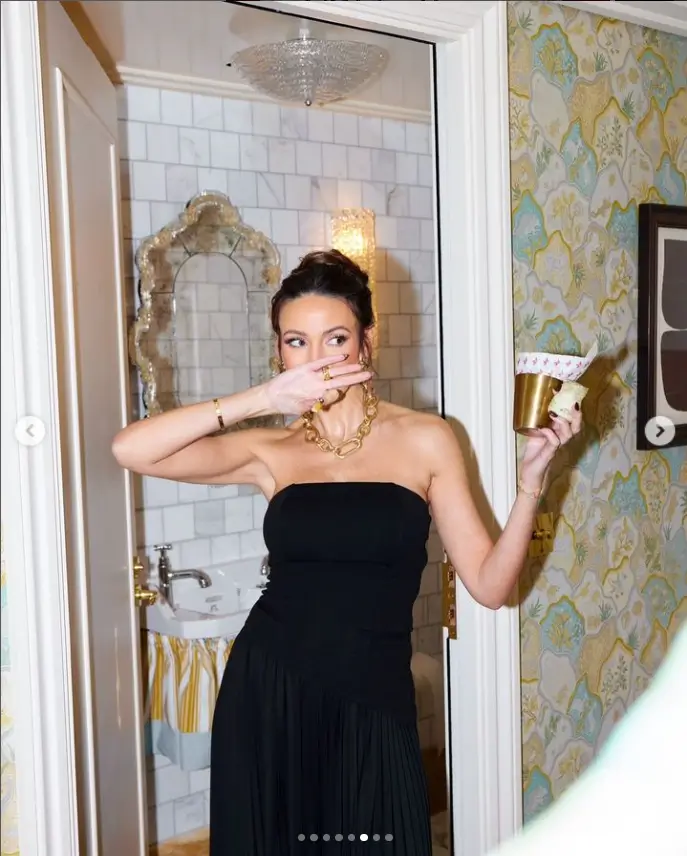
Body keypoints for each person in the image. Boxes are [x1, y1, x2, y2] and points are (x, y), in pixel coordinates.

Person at [112, 250, 583, 855]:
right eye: (295, 342)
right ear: (279, 353)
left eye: (334, 338)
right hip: (270, 693)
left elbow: (491, 587)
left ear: (367, 341)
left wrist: (530, 485)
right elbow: (131, 450)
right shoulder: (272, 449)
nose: (316, 360)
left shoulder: (426, 439)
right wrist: (262, 399)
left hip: (374, 705)